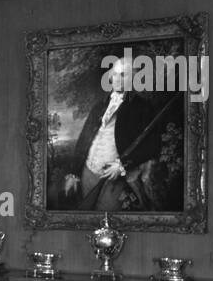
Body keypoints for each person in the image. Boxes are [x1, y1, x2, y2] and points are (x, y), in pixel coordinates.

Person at [60, 54, 171, 211]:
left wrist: (122, 166)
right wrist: (73, 173)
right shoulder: (99, 106)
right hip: (87, 172)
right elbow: (84, 140)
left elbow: (153, 145)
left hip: (113, 178)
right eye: (115, 74)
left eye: (124, 74)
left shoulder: (141, 107)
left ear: (133, 78)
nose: (117, 79)